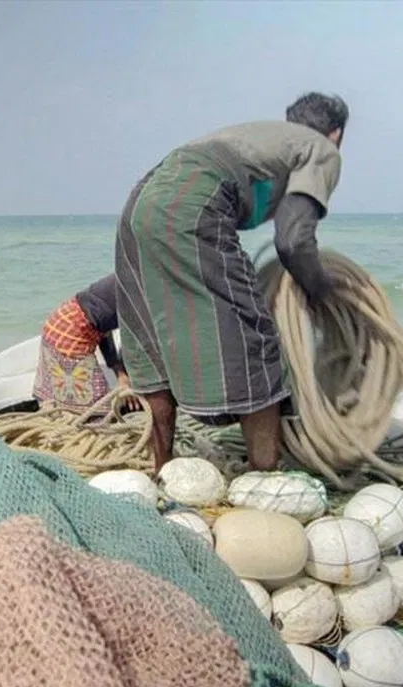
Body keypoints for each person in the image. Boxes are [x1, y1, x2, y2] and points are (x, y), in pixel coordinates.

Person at [114, 92, 350, 473]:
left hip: (141, 200)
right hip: (192, 197)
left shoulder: (264, 137)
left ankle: (163, 469)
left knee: (150, 336)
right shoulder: (320, 148)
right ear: (336, 133)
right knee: (253, 335)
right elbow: (293, 241)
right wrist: (323, 292)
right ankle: (265, 477)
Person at [32, 274, 137, 413]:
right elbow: (137, 342)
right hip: (68, 331)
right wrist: (125, 379)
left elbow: (104, 328)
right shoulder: (137, 287)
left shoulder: (127, 275)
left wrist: (121, 374)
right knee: (96, 408)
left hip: (63, 318)